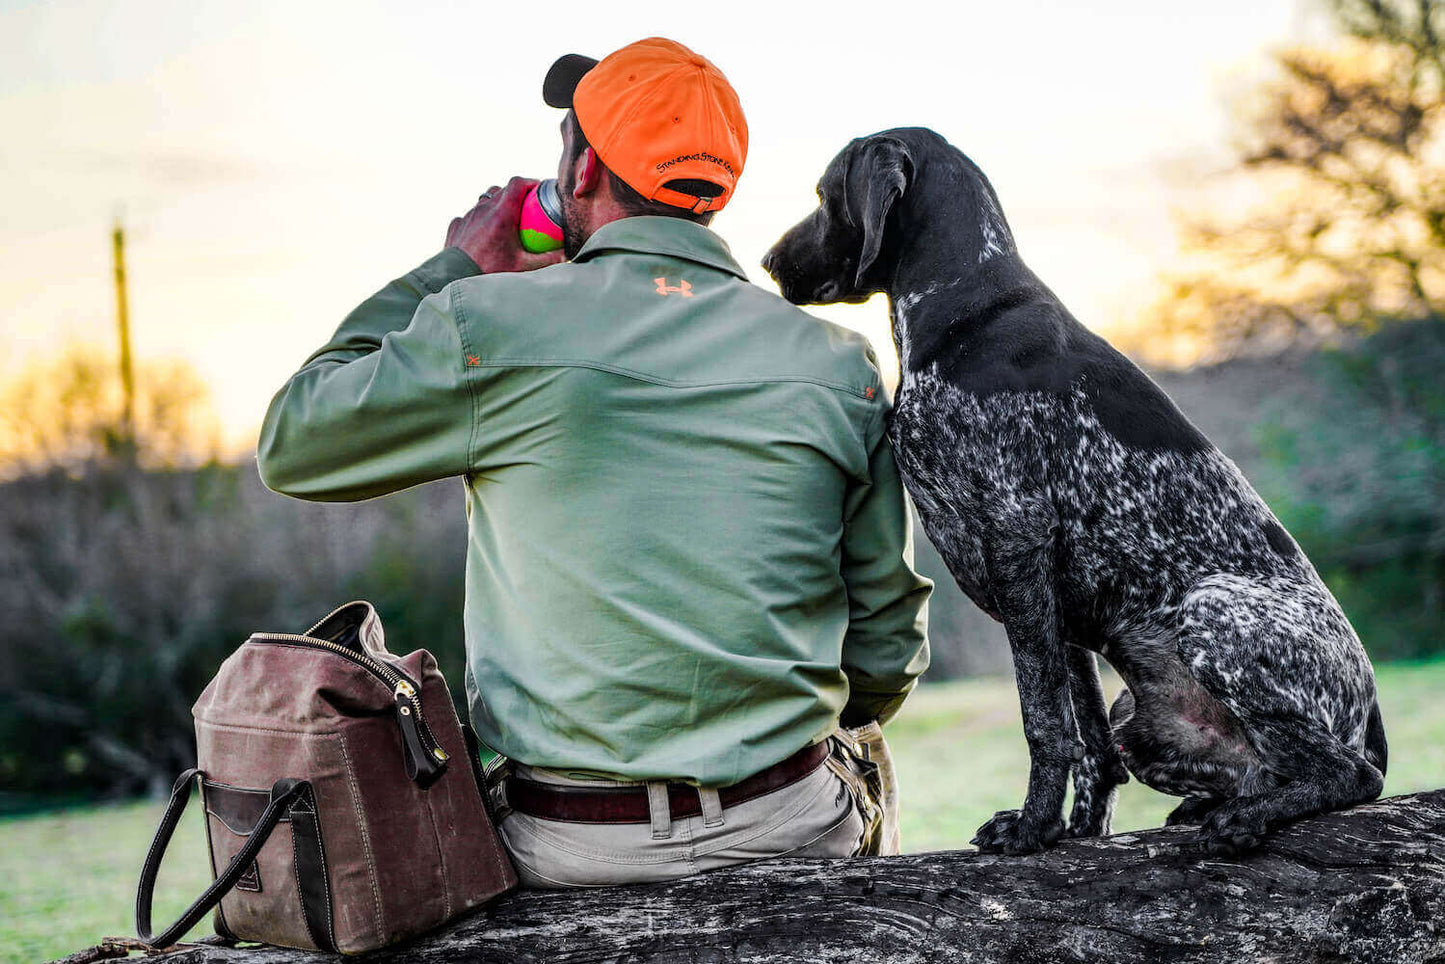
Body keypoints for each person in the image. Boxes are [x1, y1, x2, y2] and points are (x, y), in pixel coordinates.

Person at [256, 37, 930, 888]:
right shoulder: (839, 363)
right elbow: (885, 645)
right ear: (712, 191)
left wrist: (456, 266)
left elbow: (294, 440)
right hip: (789, 821)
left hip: (569, 847)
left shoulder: (488, 324)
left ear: (578, 173)